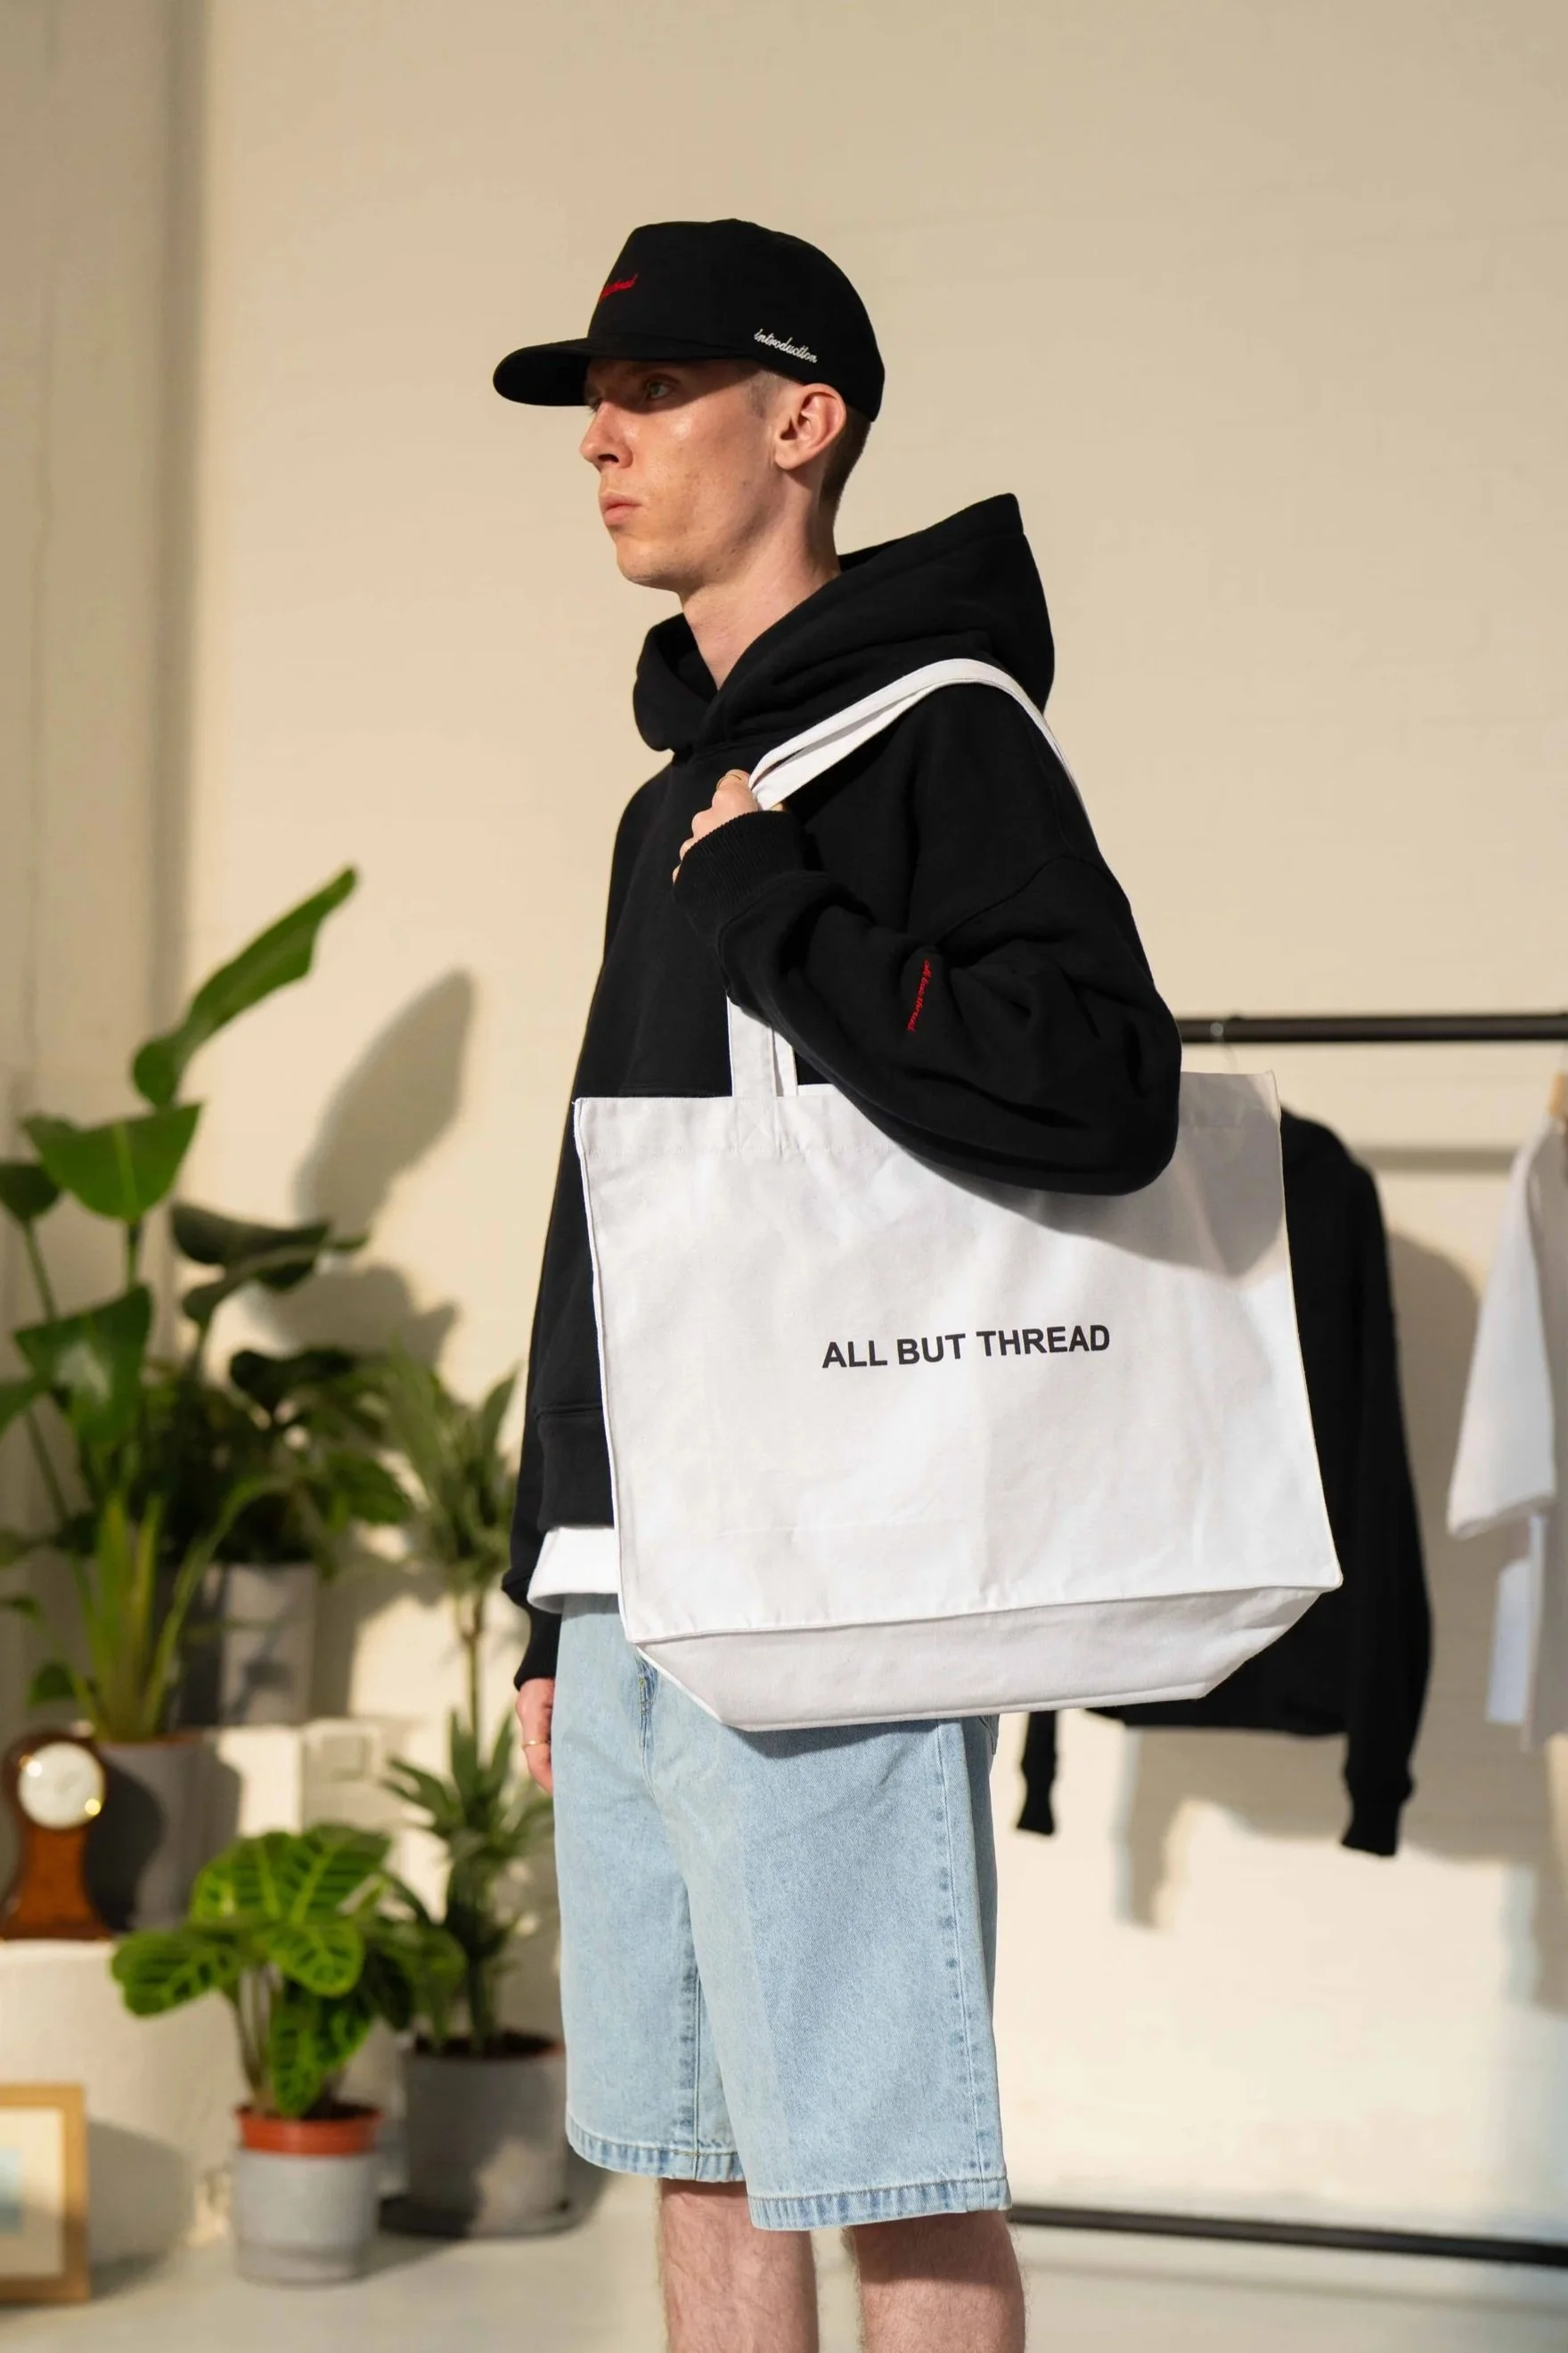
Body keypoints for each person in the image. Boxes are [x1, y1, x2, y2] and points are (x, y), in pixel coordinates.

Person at [496, 217, 1180, 2353]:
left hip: (825, 1558)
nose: (602, 444)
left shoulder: (932, 737)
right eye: (589, 408)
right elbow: (611, 1193)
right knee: (696, 2150)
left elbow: (1096, 1079)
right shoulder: (668, 796)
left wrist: (785, 904)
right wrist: (543, 1571)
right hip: (635, 1570)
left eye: (653, 397)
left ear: (804, 424)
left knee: (884, 2155)